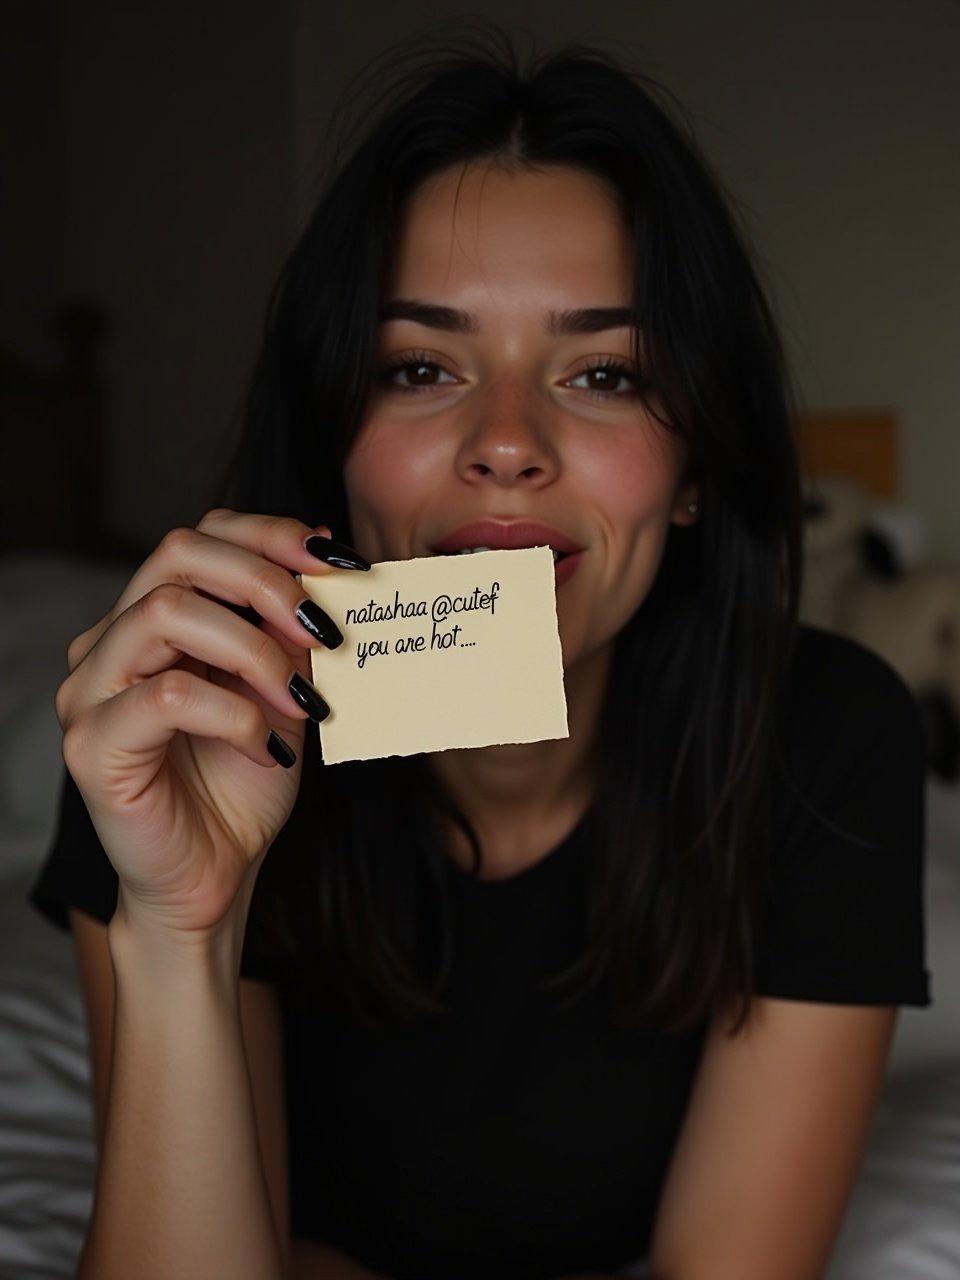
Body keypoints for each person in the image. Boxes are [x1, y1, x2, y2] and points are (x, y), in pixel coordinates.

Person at [28, 23, 931, 1280]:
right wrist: (182, 930)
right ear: (334, 442)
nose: (506, 441)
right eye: (419, 364)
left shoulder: (826, 732)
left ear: (692, 472)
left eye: (604, 374)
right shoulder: (183, 723)